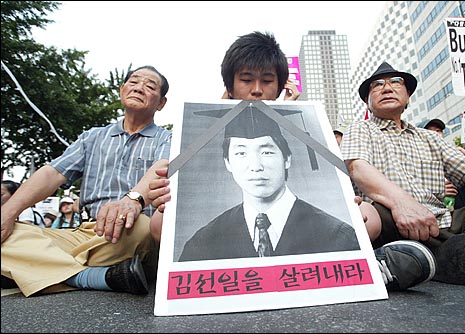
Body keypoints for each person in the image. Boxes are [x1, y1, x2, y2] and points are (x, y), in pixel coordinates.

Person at [149, 31, 437, 292]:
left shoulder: (303, 121)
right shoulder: (206, 127)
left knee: (366, 219)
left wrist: (344, 199)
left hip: (314, 221)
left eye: (267, 80)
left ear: (287, 158)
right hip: (228, 240)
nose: (258, 90)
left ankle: (364, 267)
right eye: (246, 80)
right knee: (161, 224)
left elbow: (338, 172)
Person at [1, 65, 171, 297]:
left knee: (140, 226)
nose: (139, 88)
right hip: (84, 233)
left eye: (150, 86)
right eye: (133, 82)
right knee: (7, 232)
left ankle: (36, 267)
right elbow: (52, 173)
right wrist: (9, 211)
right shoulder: (92, 137)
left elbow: (162, 167)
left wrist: (132, 200)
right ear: (122, 90)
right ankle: (91, 277)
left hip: (128, 235)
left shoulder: (167, 139)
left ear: (161, 103)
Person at [341, 61, 465, 285]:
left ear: (408, 96)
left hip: (442, 222)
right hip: (391, 219)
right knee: (364, 213)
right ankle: (431, 256)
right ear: (368, 101)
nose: (386, 88)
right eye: (377, 85)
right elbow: (357, 167)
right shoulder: (361, 129)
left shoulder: (430, 138)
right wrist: (402, 203)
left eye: (396, 82)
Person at [179, 106, 360, 261]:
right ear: (227, 163)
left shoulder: (337, 235)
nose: (256, 167)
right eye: (241, 153)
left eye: (266, 152)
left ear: (287, 158)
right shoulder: (204, 242)